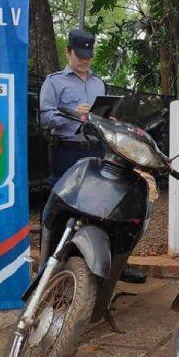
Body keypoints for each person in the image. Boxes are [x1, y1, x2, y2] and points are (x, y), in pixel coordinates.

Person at [40, 28, 146, 284]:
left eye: (88, 55)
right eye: (80, 55)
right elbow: (44, 118)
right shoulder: (54, 82)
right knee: (61, 207)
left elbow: (103, 118)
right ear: (68, 52)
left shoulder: (99, 83)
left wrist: (108, 119)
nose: (85, 60)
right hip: (68, 150)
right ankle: (47, 264)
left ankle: (115, 264)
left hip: (99, 151)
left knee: (106, 207)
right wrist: (74, 114)